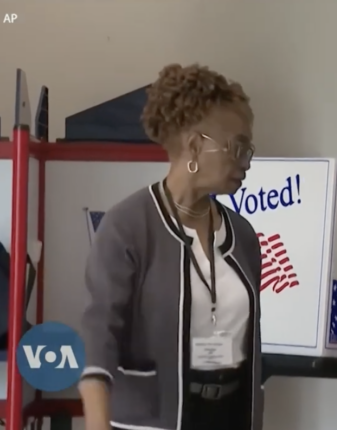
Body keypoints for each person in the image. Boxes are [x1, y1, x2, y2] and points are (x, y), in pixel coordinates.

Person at [78, 64, 264, 430]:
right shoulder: (127, 226)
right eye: (237, 147)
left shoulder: (242, 235)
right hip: (153, 421)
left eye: (249, 150)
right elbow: (99, 340)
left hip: (230, 416)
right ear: (195, 145)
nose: (247, 162)